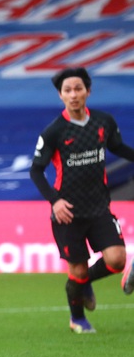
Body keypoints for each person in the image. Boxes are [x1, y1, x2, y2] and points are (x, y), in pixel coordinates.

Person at [30, 67, 134, 334]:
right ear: (61, 95)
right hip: (68, 213)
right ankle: (78, 319)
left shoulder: (103, 122)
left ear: (88, 91)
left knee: (117, 259)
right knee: (76, 270)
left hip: (99, 207)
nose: (73, 94)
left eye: (78, 89)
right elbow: (36, 170)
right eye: (68, 90)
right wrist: (55, 201)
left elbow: (119, 148)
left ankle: (84, 283)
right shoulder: (54, 132)